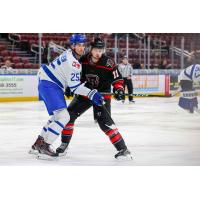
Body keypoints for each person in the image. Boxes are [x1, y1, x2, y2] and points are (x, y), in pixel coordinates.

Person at [56, 38, 132, 160]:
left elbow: (117, 79)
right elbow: (77, 76)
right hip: (86, 92)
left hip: (102, 96)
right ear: (91, 49)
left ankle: (123, 149)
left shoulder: (109, 63)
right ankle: (64, 144)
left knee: (105, 123)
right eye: (96, 50)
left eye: (100, 50)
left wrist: (119, 89)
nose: (98, 53)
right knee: (68, 116)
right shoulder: (83, 60)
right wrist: (71, 87)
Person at [29, 34, 103, 159]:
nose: (82, 48)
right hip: (50, 85)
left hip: (47, 81)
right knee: (64, 117)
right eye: (79, 45)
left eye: (83, 45)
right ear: (73, 46)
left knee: (56, 117)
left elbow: (67, 78)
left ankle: (38, 143)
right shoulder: (73, 63)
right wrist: (92, 93)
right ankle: (45, 145)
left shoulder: (69, 53)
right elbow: (75, 88)